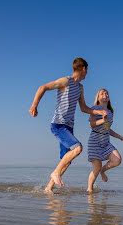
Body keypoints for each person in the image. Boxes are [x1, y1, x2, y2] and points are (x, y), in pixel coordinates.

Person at [29, 58, 108, 194]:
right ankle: (55, 173)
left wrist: (97, 111)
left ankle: (48, 189)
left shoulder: (80, 88)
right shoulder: (66, 81)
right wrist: (34, 105)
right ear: (83, 69)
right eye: (87, 70)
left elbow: (83, 108)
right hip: (58, 125)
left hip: (69, 127)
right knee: (78, 148)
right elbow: (43, 87)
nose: (87, 73)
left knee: (66, 161)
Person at [87, 89, 123, 193]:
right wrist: (103, 120)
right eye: (102, 93)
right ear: (98, 97)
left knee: (117, 160)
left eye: (106, 93)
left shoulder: (110, 112)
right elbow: (92, 125)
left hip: (106, 142)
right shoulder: (94, 109)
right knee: (95, 169)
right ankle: (89, 190)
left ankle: (103, 171)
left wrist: (120, 137)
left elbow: (107, 129)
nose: (105, 94)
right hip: (95, 141)